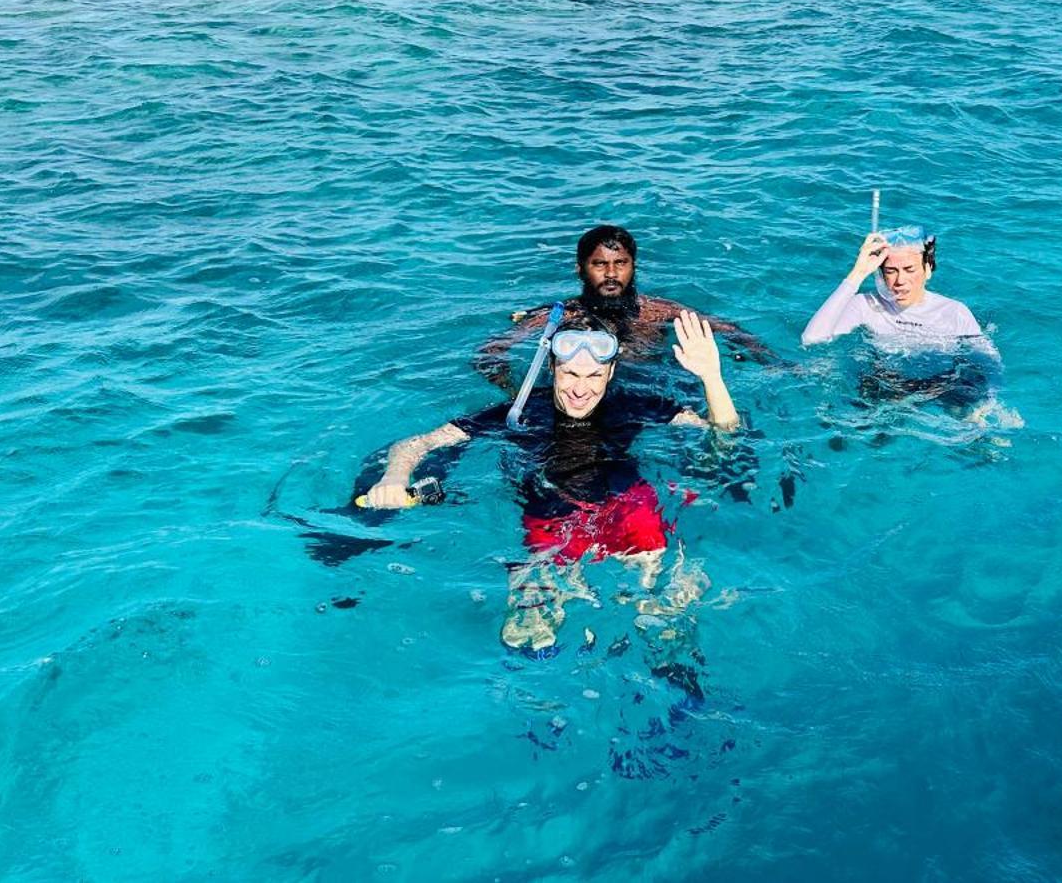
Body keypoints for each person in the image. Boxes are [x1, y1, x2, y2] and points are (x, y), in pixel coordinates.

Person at [364, 310, 739, 652]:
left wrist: (712, 378)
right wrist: (394, 477)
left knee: (661, 607)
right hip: (552, 518)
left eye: (594, 376)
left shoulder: (634, 404)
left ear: (609, 373)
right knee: (531, 630)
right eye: (571, 374)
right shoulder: (518, 413)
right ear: (552, 368)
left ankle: (670, 676)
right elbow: (419, 443)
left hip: (630, 507)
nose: (581, 389)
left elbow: (724, 436)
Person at [475, 223, 773, 386]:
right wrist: (512, 390)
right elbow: (488, 353)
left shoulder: (660, 310)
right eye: (599, 264)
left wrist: (772, 365)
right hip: (582, 397)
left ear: (633, 267)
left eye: (621, 263)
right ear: (580, 269)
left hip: (655, 390)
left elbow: (730, 330)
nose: (611, 273)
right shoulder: (559, 314)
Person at [802, 226, 993, 349]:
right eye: (891, 271)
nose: (900, 280)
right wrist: (857, 274)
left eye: (909, 269)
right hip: (881, 389)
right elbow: (812, 340)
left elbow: (988, 363)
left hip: (938, 388)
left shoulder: (954, 312)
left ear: (928, 269)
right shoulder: (866, 305)